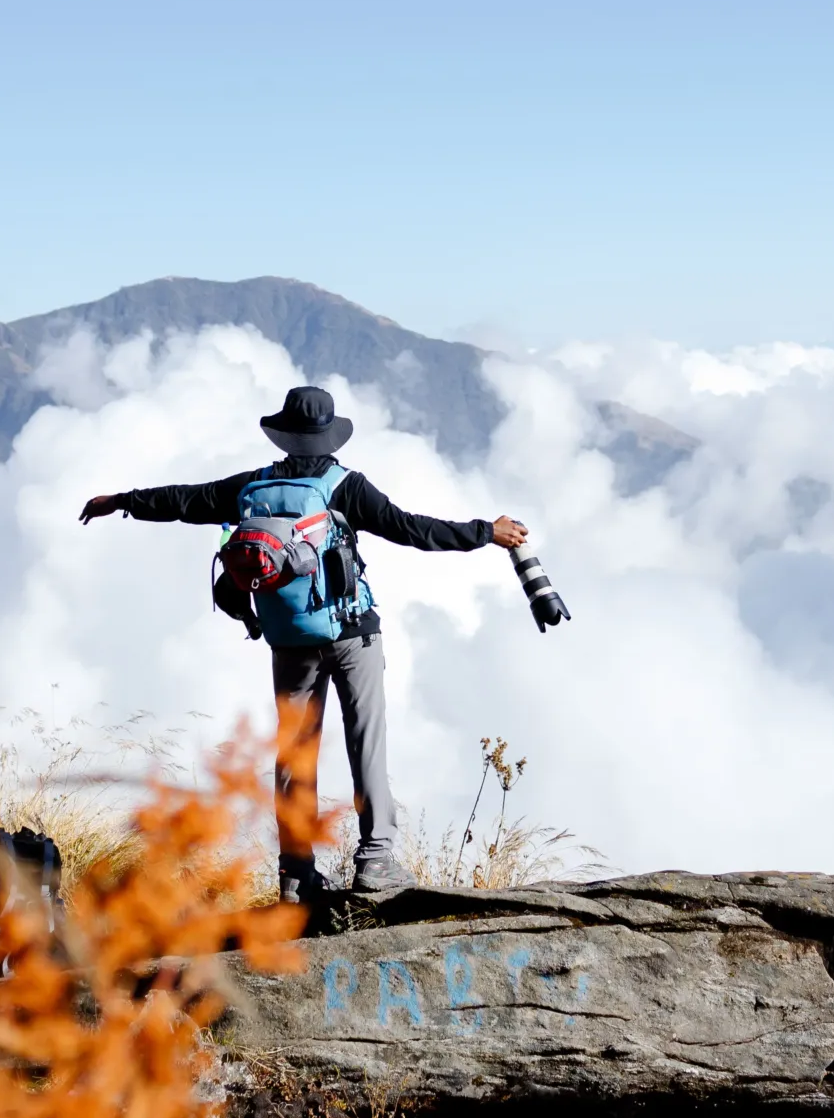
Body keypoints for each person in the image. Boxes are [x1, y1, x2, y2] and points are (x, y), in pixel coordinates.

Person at [79, 385, 528, 900]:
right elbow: (411, 529)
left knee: (294, 756)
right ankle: (376, 861)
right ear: (330, 434)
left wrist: (122, 503)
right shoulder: (346, 486)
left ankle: (295, 875)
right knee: (367, 744)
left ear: (285, 435)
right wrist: (484, 532)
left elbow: (185, 499)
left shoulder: (254, 486)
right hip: (353, 633)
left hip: (288, 637)